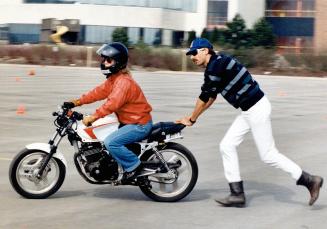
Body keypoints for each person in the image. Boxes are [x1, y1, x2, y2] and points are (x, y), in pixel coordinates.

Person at [176, 38, 323, 207]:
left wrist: (192, 118)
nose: (192, 58)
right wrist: (193, 117)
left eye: (194, 53)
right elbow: (211, 97)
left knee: (268, 154)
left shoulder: (215, 67)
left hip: (256, 108)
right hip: (249, 110)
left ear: (205, 50)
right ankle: (237, 194)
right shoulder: (219, 61)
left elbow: (205, 97)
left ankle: (310, 180)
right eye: (190, 55)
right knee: (227, 145)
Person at [66, 42, 153, 180]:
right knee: (102, 139)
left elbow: (111, 104)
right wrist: (76, 102)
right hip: (129, 122)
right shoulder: (114, 79)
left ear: (117, 62)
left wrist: (93, 117)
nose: (104, 62)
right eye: (103, 59)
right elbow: (97, 93)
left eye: (108, 60)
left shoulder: (124, 83)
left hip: (139, 125)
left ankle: (135, 167)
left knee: (111, 142)